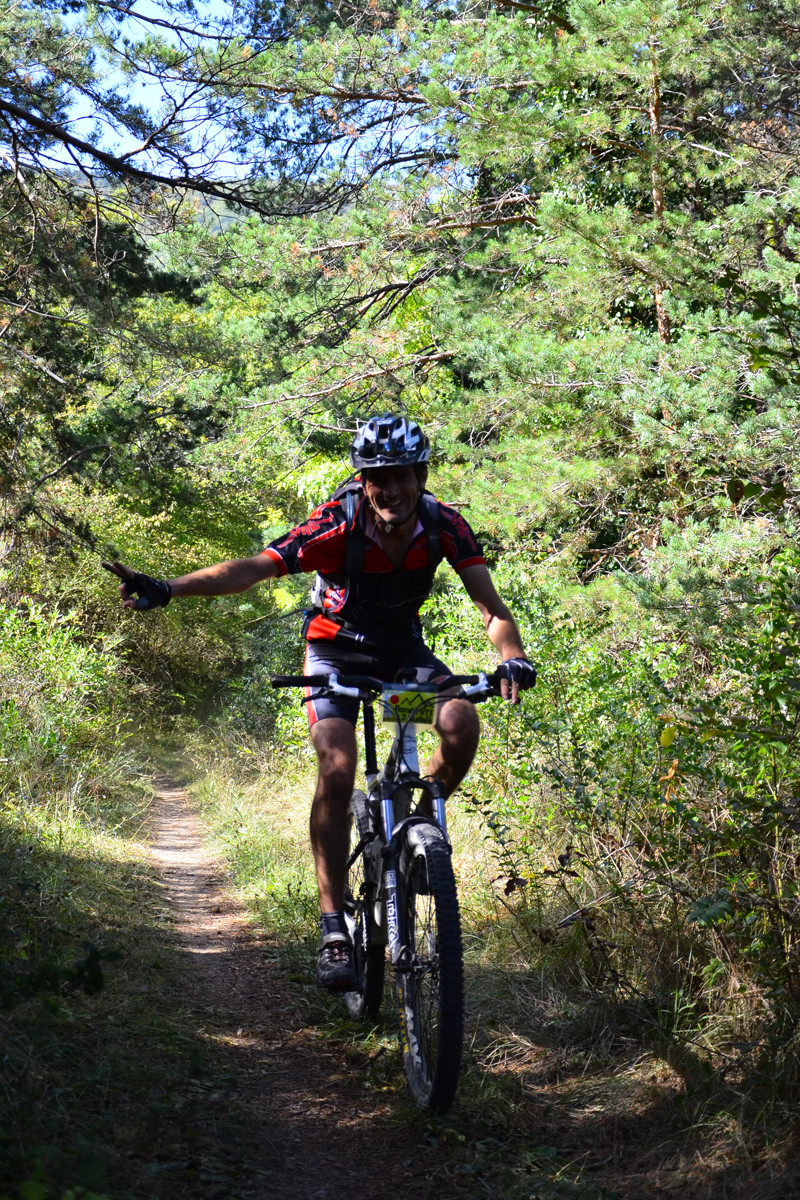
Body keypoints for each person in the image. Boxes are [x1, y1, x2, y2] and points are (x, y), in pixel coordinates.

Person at [104, 414, 536, 992]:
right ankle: (334, 928)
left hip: (401, 657)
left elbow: (493, 610)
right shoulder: (336, 523)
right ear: (362, 482)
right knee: (337, 768)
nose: (391, 489)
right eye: (377, 477)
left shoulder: (445, 526)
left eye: (402, 475)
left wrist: (512, 656)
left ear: (420, 475)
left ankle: (420, 828)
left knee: (460, 721)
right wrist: (171, 588)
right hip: (334, 655)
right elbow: (255, 569)